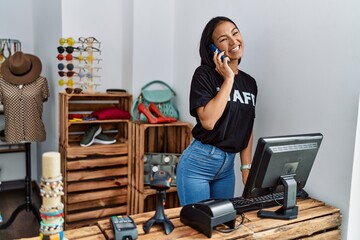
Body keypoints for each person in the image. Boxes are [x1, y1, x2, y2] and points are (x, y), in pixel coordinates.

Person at [176, 16, 258, 206]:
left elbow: (247, 127)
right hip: (198, 164)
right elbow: (208, 121)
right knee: (198, 228)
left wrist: (246, 168)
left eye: (235, 33)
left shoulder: (250, 83)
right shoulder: (204, 74)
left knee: (223, 227)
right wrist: (228, 79)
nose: (233, 41)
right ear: (213, 49)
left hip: (227, 168)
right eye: (223, 39)